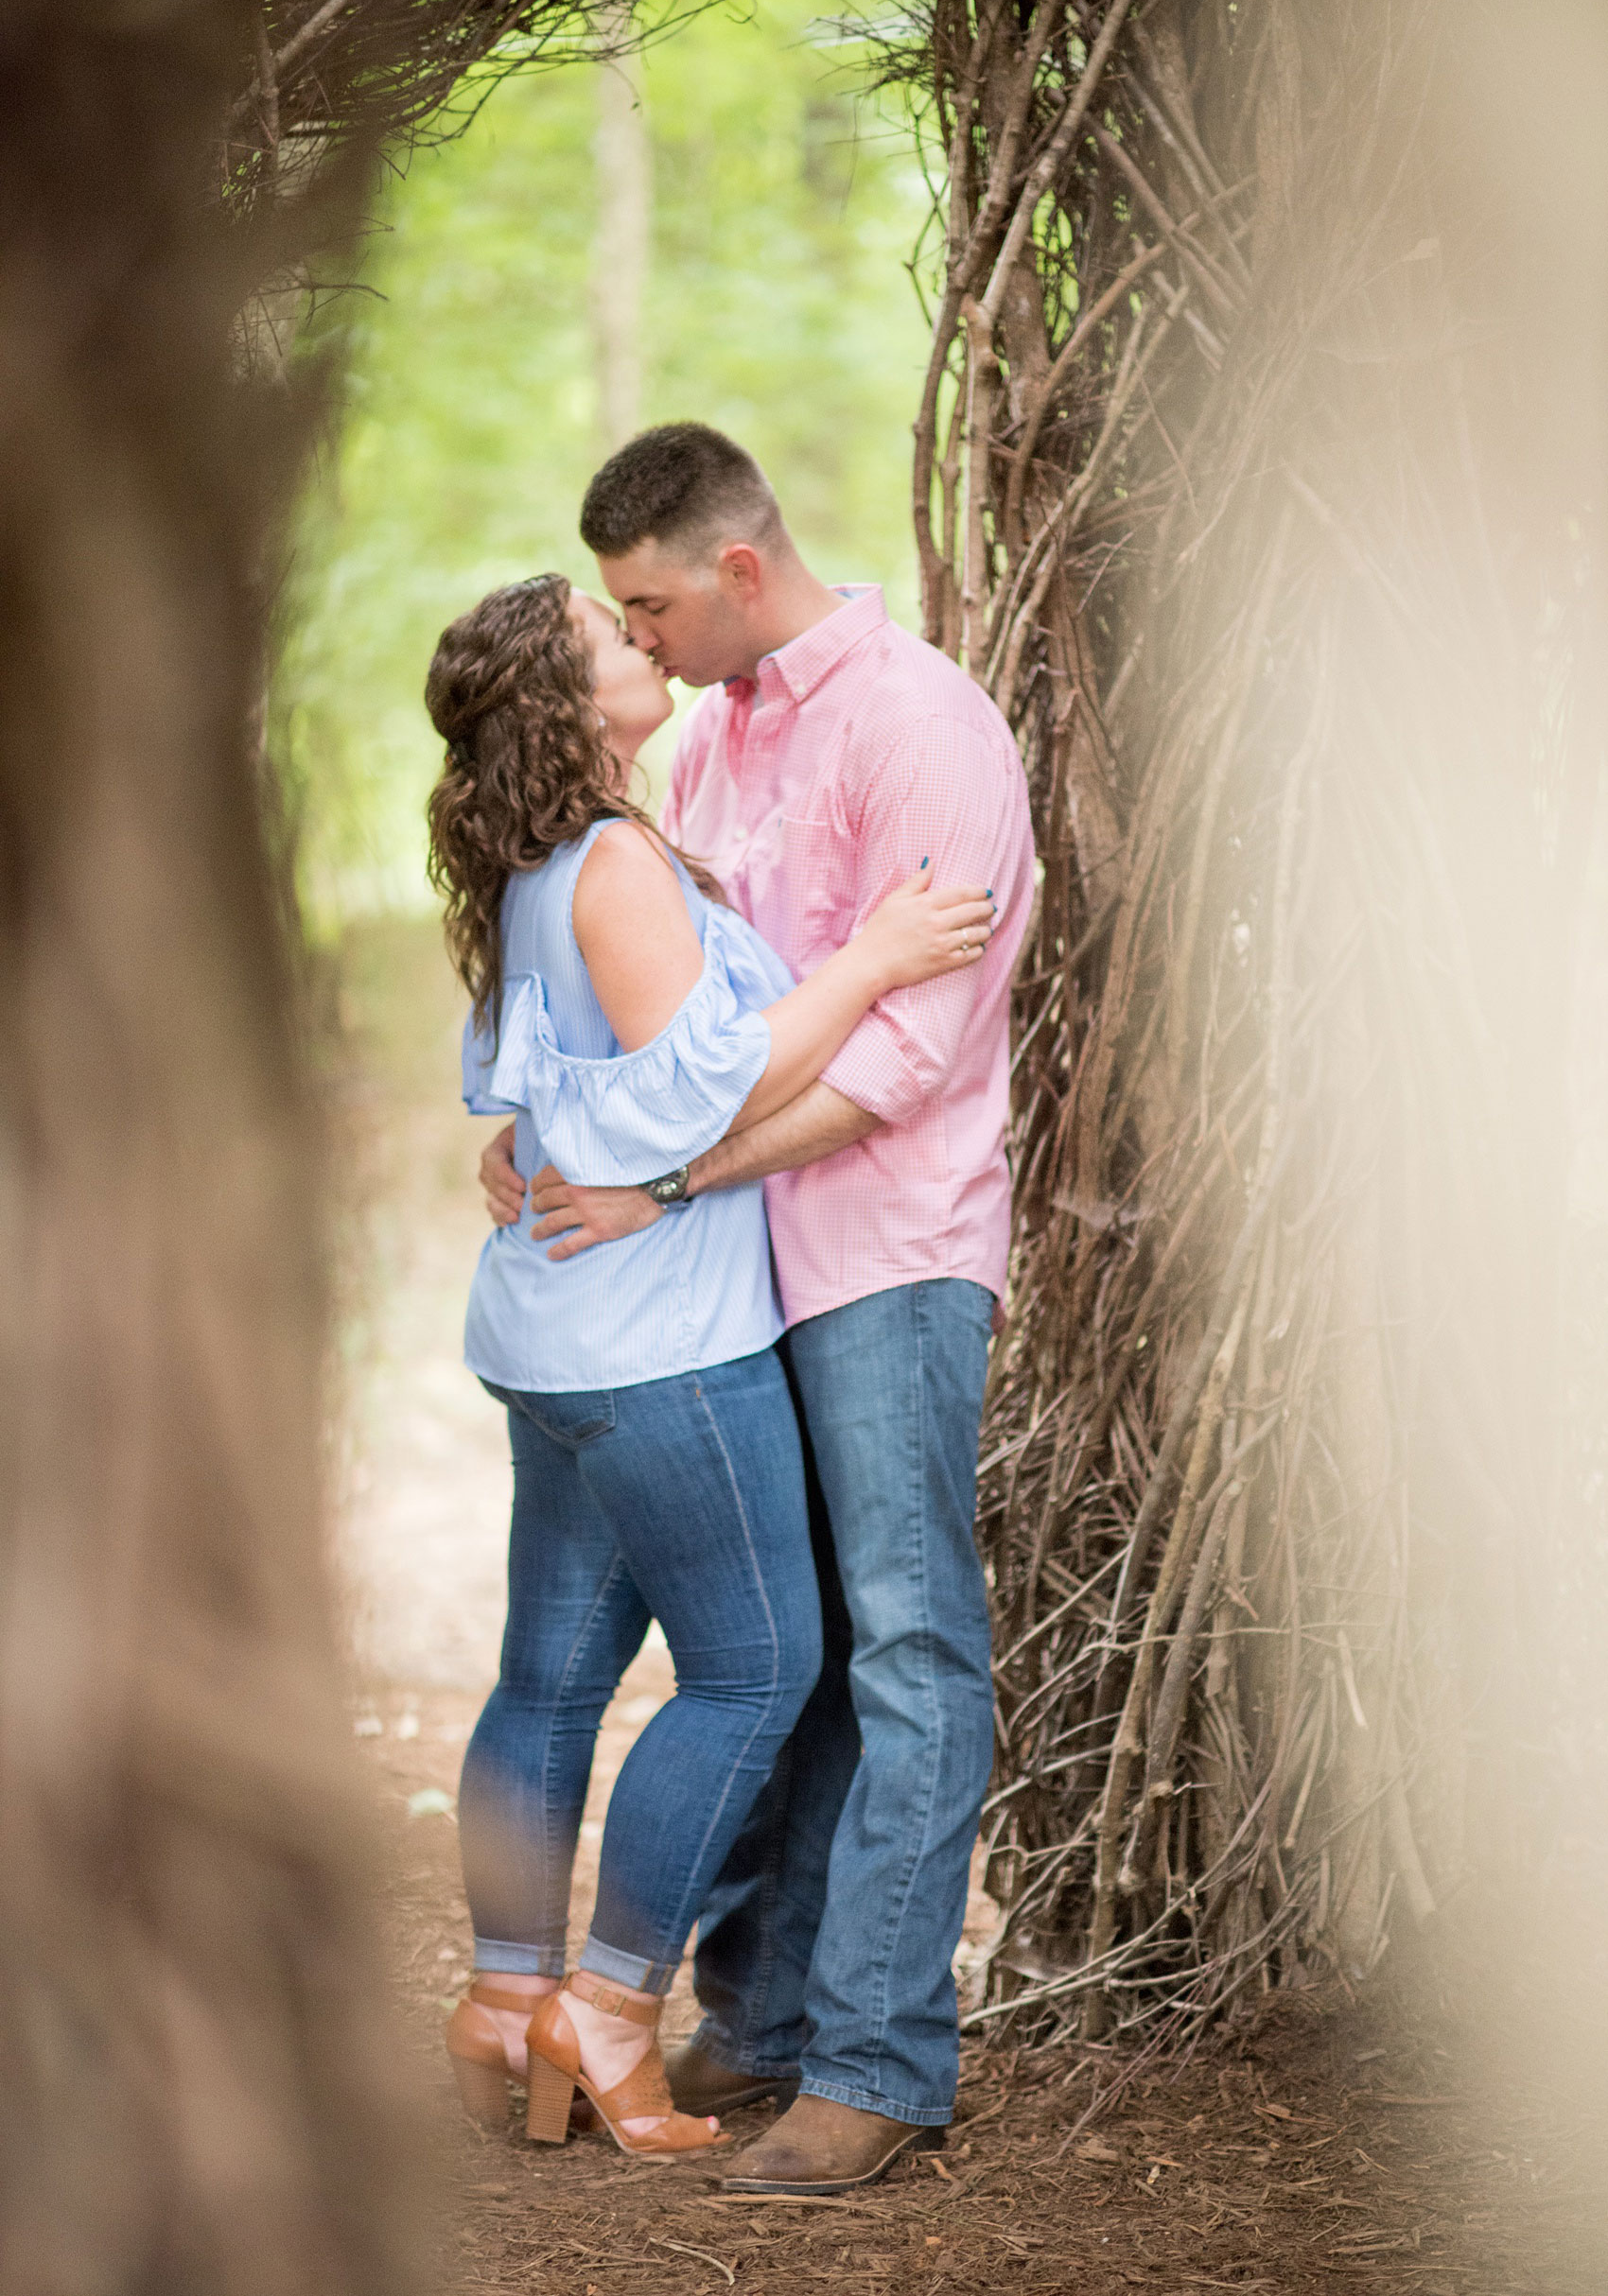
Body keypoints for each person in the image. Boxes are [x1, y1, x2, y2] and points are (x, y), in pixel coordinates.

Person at [479, 425, 1036, 2196]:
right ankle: (764, 2012)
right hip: (728, 1283)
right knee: (782, 1668)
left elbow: (900, 1060)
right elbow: (653, 1010)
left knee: (908, 1644)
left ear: (731, 569)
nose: (637, 642)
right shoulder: (707, 741)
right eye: (614, 622)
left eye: (648, 605)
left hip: (882, 1251)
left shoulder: (920, 726)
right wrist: (534, 1122)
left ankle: (876, 2064)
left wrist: (671, 1178)